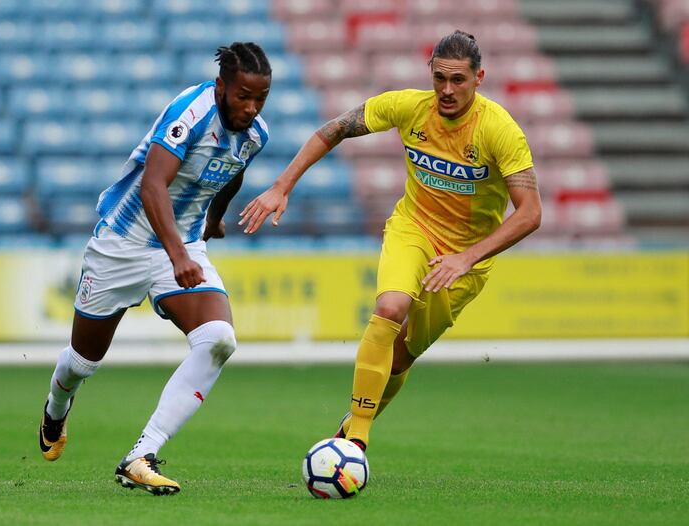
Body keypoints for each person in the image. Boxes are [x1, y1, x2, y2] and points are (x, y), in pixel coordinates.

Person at [239, 31, 541, 452]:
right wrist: (281, 186)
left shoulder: (500, 130)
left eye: (458, 80)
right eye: (440, 78)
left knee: (401, 357)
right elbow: (336, 127)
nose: (447, 90)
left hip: (465, 257)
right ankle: (356, 440)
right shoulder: (408, 106)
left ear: (480, 78)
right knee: (390, 307)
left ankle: (350, 427)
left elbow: (530, 212)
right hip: (413, 229)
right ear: (429, 73)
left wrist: (466, 258)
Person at [38, 42, 272, 496]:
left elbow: (234, 169)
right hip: (120, 245)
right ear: (222, 86)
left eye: (260, 98)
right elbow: (152, 185)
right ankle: (56, 407)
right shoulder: (191, 112)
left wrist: (214, 217)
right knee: (83, 362)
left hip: (181, 243)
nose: (251, 107)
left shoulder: (257, 134)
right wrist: (179, 256)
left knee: (219, 340)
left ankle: (141, 454)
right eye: (243, 95)